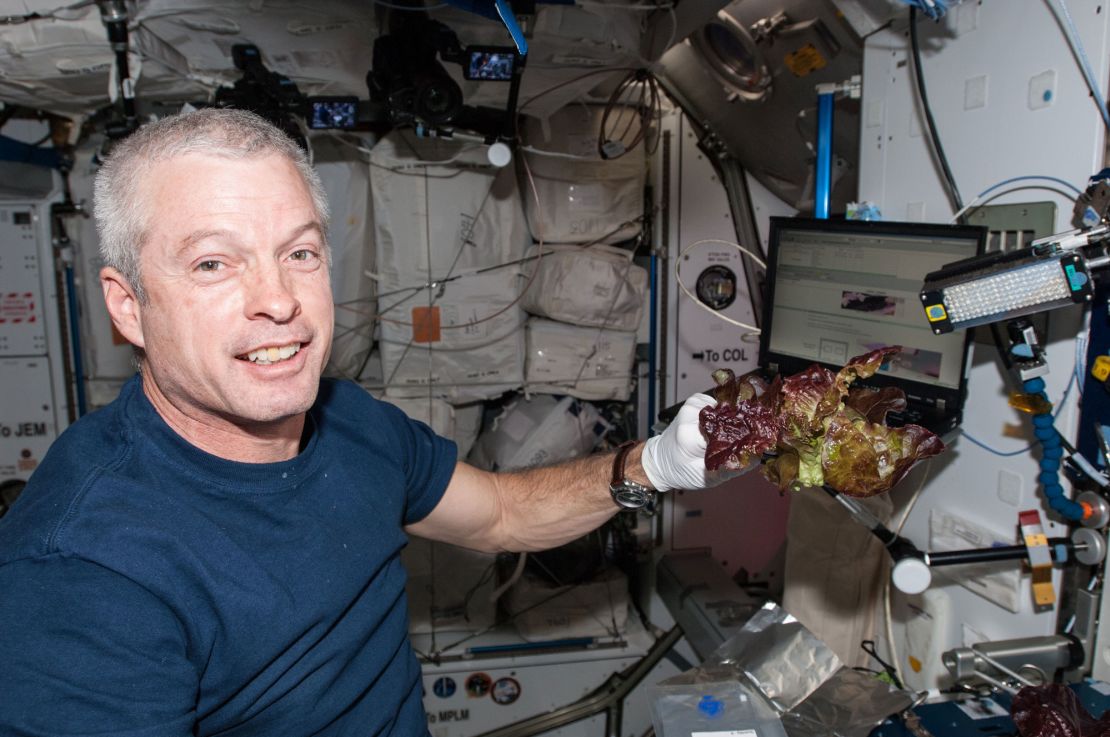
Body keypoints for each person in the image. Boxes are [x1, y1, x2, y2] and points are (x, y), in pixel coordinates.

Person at [0, 108, 736, 736]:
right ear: (128, 305)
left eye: (299, 252)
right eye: (213, 265)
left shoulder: (344, 417)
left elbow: (502, 515)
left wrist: (657, 464)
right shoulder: (80, 569)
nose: (279, 299)